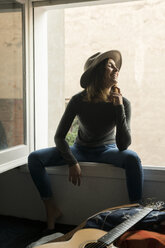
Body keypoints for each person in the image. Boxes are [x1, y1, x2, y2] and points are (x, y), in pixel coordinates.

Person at [28, 50, 144, 232]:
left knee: (132, 158)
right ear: (97, 73)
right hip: (80, 150)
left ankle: (136, 215)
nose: (116, 70)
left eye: (116, 66)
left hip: (107, 151)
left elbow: (123, 145)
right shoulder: (78, 100)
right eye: (110, 66)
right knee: (34, 158)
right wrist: (72, 161)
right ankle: (51, 208)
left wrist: (118, 107)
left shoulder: (123, 102)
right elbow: (59, 137)